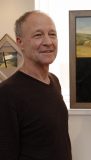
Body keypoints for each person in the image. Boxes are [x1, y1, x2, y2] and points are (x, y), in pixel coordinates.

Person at [0, 10, 72, 160]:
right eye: (38, 35)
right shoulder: (6, 93)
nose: (48, 42)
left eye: (52, 34)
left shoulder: (54, 81)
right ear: (20, 43)